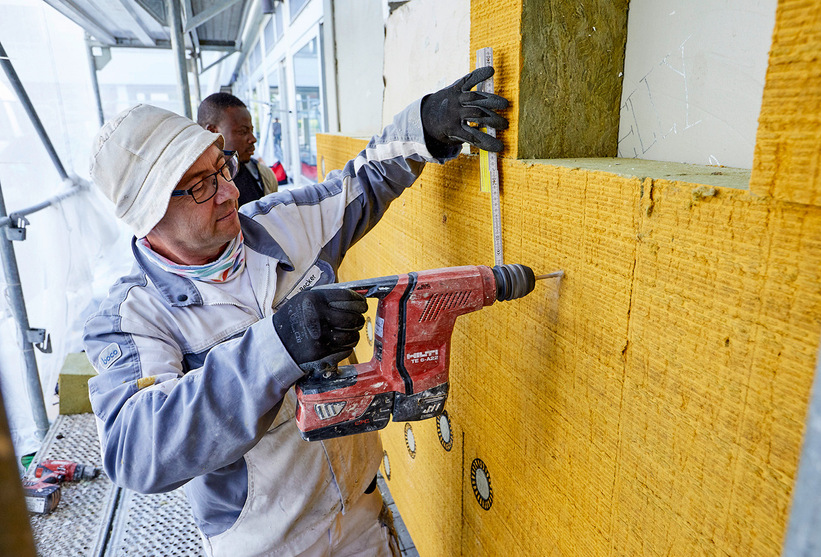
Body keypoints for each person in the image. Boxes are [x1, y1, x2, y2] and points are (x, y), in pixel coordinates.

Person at [84, 68, 507, 557]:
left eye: (221, 167)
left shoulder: (282, 225)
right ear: (149, 215)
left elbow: (363, 181)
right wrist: (274, 348)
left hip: (362, 520)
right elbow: (136, 450)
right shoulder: (133, 316)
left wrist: (425, 124)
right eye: (200, 185)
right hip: (266, 545)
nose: (230, 191)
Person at [197, 92, 279, 205]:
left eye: (251, 130)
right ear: (212, 132)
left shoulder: (263, 176)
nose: (253, 139)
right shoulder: (192, 188)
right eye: (242, 131)